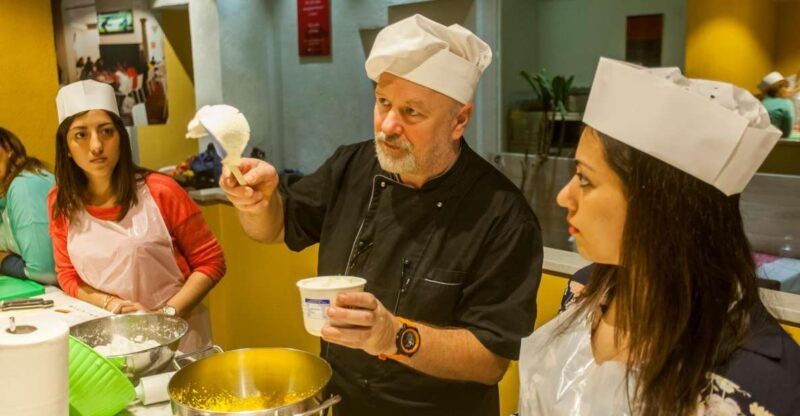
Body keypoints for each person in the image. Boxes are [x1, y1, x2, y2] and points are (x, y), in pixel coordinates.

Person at [220, 14, 542, 416]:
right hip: (343, 400)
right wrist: (257, 203)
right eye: (383, 102)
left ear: (459, 120)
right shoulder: (351, 166)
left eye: (412, 113)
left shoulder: (502, 216)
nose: (388, 125)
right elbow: (276, 228)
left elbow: (490, 360)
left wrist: (394, 336)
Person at [518, 58, 800, 416]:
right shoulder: (585, 291)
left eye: (586, 179)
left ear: (660, 209)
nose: (564, 196)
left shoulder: (761, 380)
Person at [49, 80, 226, 352]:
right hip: (109, 340)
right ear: (67, 148)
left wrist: (163, 316)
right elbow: (68, 276)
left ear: (121, 137)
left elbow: (211, 262)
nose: (96, 145)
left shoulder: (161, 191)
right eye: (81, 135)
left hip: (178, 339)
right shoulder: (60, 201)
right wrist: (112, 304)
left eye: (106, 131)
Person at [0, 127, 56, 284]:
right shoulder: (6, 190)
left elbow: (45, 272)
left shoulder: (24, 185)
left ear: (7, 147)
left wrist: (3, 260)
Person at [758, 71, 796, 138]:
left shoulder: (761, 102)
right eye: (786, 87)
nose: (790, 90)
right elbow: (787, 134)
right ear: (779, 89)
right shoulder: (786, 103)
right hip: (778, 143)